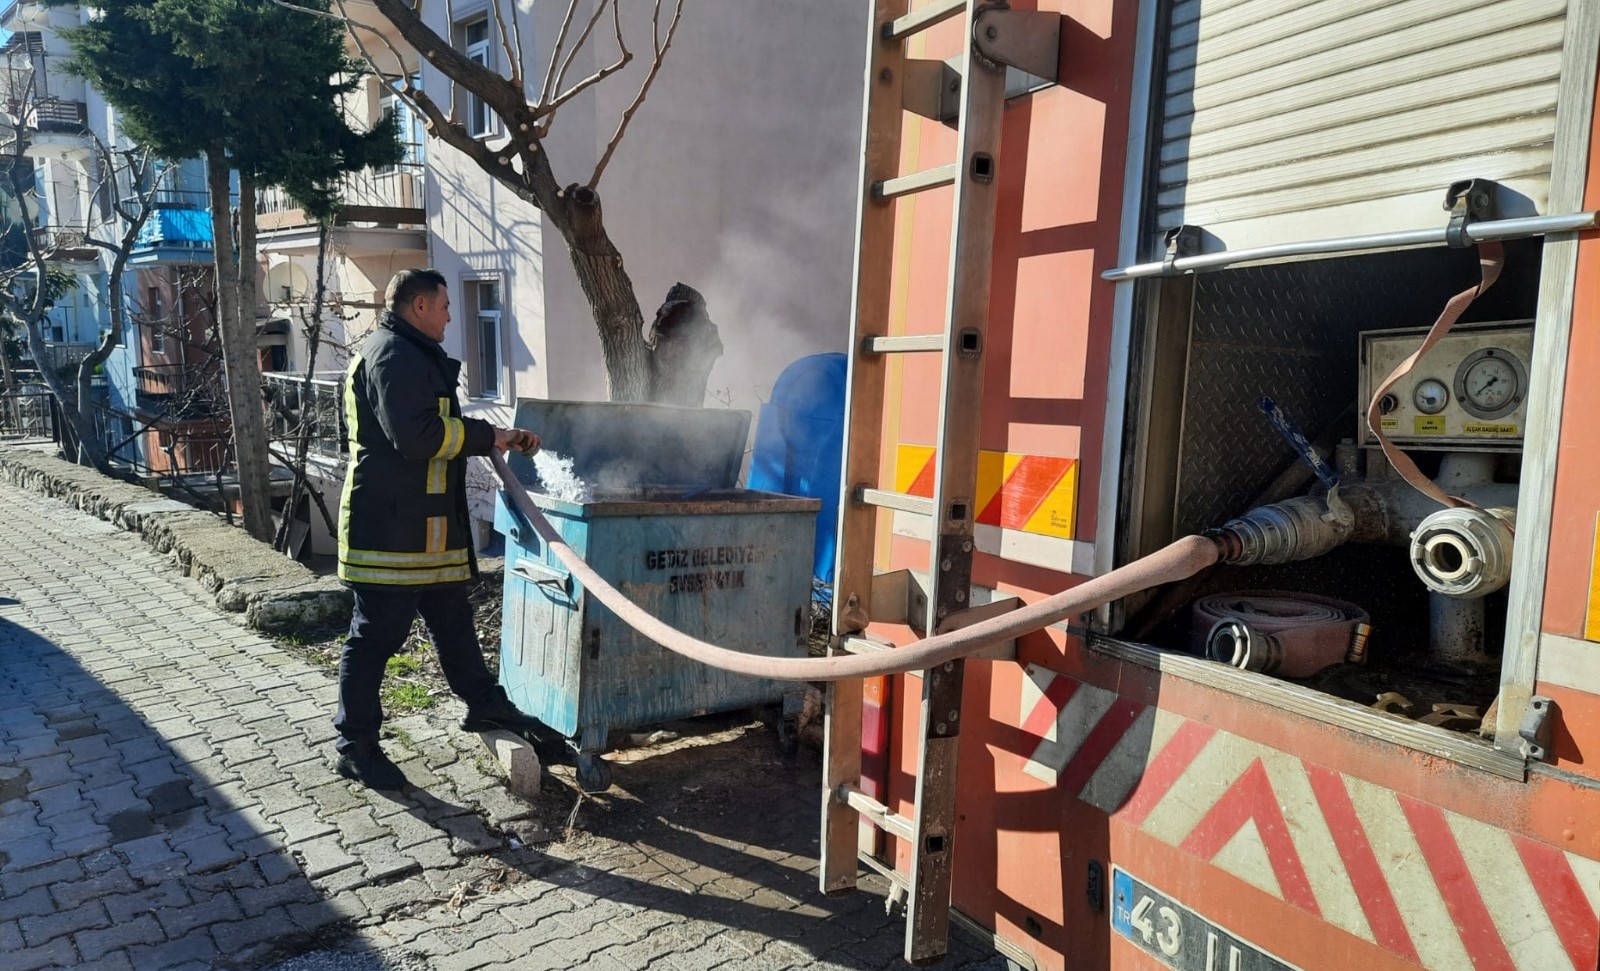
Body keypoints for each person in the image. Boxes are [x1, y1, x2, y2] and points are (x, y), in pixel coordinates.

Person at [332, 268, 545, 790]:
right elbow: (419, 438)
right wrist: (489, 435)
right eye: (446, 306)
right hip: (388, 533)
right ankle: (356, 745)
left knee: (454, 623)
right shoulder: (393, 356)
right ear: (420, 306)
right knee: (376, 637)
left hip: (423, 533)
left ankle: (485, 706)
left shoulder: (408, 353)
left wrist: (495, 437)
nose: (452, 316)